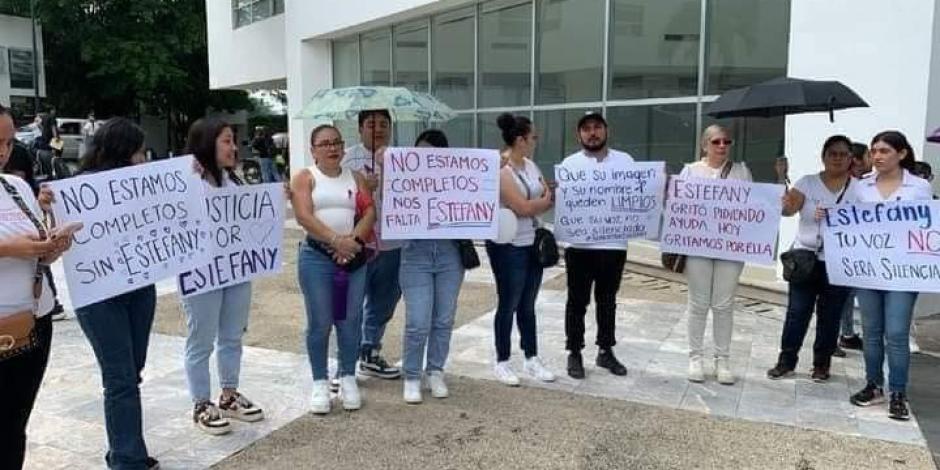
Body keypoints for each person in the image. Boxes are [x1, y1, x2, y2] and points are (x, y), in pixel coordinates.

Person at [42, 118, 160, 469]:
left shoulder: (145, 186)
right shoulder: (76, 190)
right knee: (120, 377)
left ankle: (124, 447)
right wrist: (46, 205)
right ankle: (127, 459)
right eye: (139, 151)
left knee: (131, 370)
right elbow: (50, 237)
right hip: (99, 295)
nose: (144, 158)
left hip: (140, 288)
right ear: (122, 152)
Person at [180, 118, 264, 435]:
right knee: (201, 339)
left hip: (235, 269)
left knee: (232, 335)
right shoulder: (188, 181)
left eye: (233, 141)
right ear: (207, 143)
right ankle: (201, 403)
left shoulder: (234, 182)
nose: (233, 147)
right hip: (201, 273)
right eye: (227, 140)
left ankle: (229, 394)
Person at [0, 103, 71, 470]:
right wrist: (13, 248)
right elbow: (17, 246)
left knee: (14, 424)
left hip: (33, 321)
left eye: (9, 143)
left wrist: (50, 248)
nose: (3, 151)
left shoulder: (15, 186)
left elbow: (37, 251)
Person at [291, 124, 375, 414]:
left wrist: (352, 242)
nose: (332, 148)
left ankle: (348, 375)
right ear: (313, 150)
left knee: (350, 319)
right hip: (317, 259)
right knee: (320, 321)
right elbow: (303, 216)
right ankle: (319, 382)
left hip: (351, 259)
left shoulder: (357, 177)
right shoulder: (305, 178)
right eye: (324, 144)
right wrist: (336, 241)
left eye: (337, 142)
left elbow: (369, 212)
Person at [849, 131, 932, 421]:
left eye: (884, 150)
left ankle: (898, 392)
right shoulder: (861, 187)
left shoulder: (919, 187)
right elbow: (850, 225)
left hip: (903, 272)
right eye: (873, 151)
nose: (878, 156)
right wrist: (828, 217)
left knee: (896, 334)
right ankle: (874, 385)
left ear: (902, 154)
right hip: (869, 271)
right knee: (871, 333)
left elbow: (927, 227)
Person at [767, 135, 855, 382]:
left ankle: (821, 365)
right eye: (832, 153)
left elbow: (866, 224)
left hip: (838, 262)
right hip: (805, 259)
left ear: (851, 159)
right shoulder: (807, 183)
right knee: (797, 312)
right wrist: (781, 180)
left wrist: (838, 216)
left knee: (830, 316)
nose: (837, 158)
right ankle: (786, 361)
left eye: (843, 154)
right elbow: (788, 210)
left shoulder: (859, 189)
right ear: (824, 157)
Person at [396, 129, 466, 403]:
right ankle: (412, 374)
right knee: (417, 321)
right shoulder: (402, 181)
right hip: (415, 254)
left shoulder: (457, 181)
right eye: (421, 153)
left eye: (433, 154)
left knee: (444, 318)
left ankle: (435, 369)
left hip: (450, 254)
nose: (427, 158)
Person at [486, 114, 556, 386]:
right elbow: (524, 206)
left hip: (532, 244)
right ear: (520, 140)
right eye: (533, 137)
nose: (536, 141)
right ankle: (502, 360)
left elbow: (543, 197)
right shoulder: (502, 169)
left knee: (528, 303)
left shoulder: (530, 165)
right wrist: (541, 201)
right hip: (509, 245)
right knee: (508, 302)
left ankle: (531, 356)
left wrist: (541, 201)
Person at [560, 112, 631, 380]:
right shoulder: (570, 165)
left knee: (608, 301)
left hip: (613, 245)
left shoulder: (625, 161)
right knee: (577, 302)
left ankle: (605, 350)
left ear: (606, 131)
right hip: (579, 245)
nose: (592, 133)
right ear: (579, 135)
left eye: (597, 127)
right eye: (587, 129)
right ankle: (574, 351)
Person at [682, 125, 753, 385]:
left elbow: (754, 205)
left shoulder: (742, 171)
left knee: (724, 304)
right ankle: (695, 357)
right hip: (699, 245)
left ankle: (722, 359)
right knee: (698, 303)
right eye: (716, 142)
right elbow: (678, 206)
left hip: (730, 246)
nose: (722, 146)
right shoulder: (690, 171)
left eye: (726, 141)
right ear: (704, 145)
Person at [342, 109, 402, 379]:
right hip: (358, 245)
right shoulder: (347, 158)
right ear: (360, 128)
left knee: (385, 302)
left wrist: (389, 175)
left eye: (383, 124)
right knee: (349, 305)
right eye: (371, 124)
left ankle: (370, 351)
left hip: (392, 243)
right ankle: (344, 361)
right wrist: (364, 189)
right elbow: (336, 198)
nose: (377, 129)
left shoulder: (401, 158)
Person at [835, 142, 873, 357]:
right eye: (869, 155)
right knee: (838, 297)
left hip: (857, 249)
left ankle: (847, 334)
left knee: (848, 296)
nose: (872, 160)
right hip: (842, 249)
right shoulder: (844, 185)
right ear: (857, 161)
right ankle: (834, 338)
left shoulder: (864, 186)